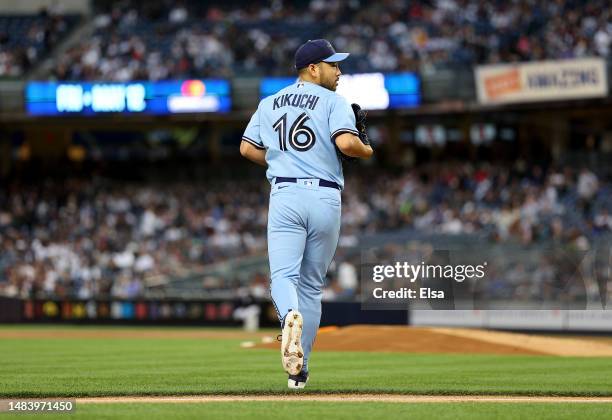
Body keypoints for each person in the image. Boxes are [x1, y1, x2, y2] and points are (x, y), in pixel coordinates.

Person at [240, 39, 373, 389]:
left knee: (284, 277)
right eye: (333, 65)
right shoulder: (334, 101)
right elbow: (347, 144)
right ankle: (298, 373)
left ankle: (288, 318)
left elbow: (246, 148)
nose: (339, 71)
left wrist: (280, 161)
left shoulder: (268, 103)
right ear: (314, 68)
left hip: (285, 193)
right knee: (313, 286)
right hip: (325, 197)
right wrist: (367, 146)